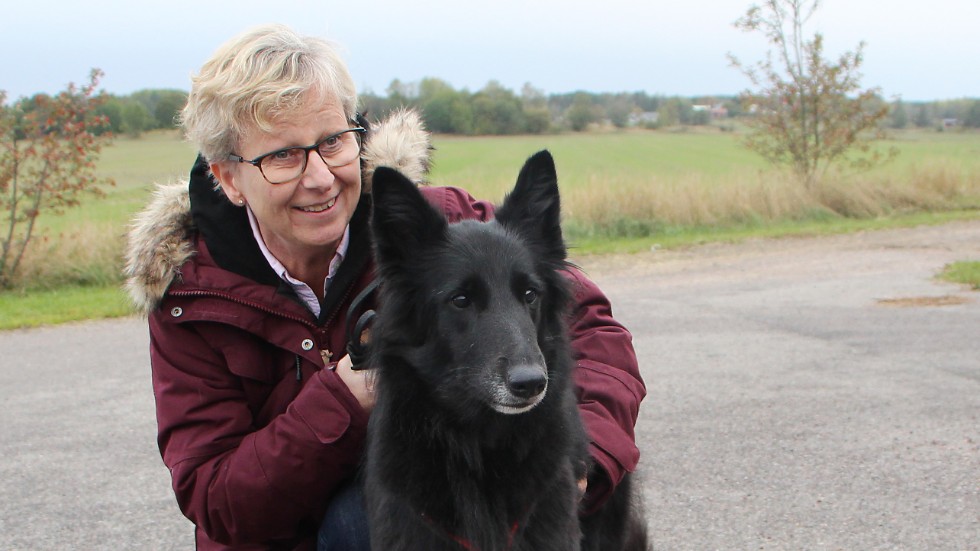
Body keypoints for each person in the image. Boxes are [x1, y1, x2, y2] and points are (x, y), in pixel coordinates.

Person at [124, 24, 645, 551]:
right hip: (294, 533)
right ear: (230, 178)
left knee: (609, 499)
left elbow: (595, 335)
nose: (321, 177)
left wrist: (582, 461)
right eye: (283, 156)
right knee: (359, 519)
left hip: (439, 506)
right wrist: (346, 398)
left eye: (332, 142)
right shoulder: (192, 298)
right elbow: (220, 502)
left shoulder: (441, 227)